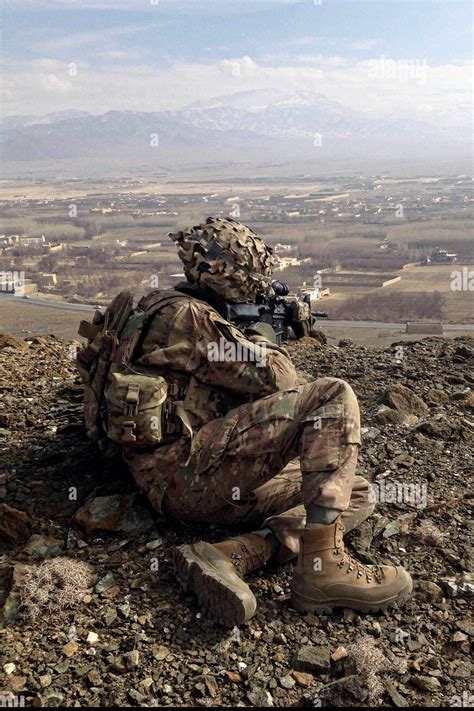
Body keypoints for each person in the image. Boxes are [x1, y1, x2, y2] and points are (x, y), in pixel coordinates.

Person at [78, 217, 412, 626]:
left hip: (146, 471)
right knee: (331, 396)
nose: (259, 285)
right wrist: (264, 336)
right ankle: (321, 572)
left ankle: (232, 554)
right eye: (254, 277)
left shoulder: (138, 302)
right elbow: (280, 379)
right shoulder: (192, 319)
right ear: (230, 274)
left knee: (355, 492)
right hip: (189, 481)